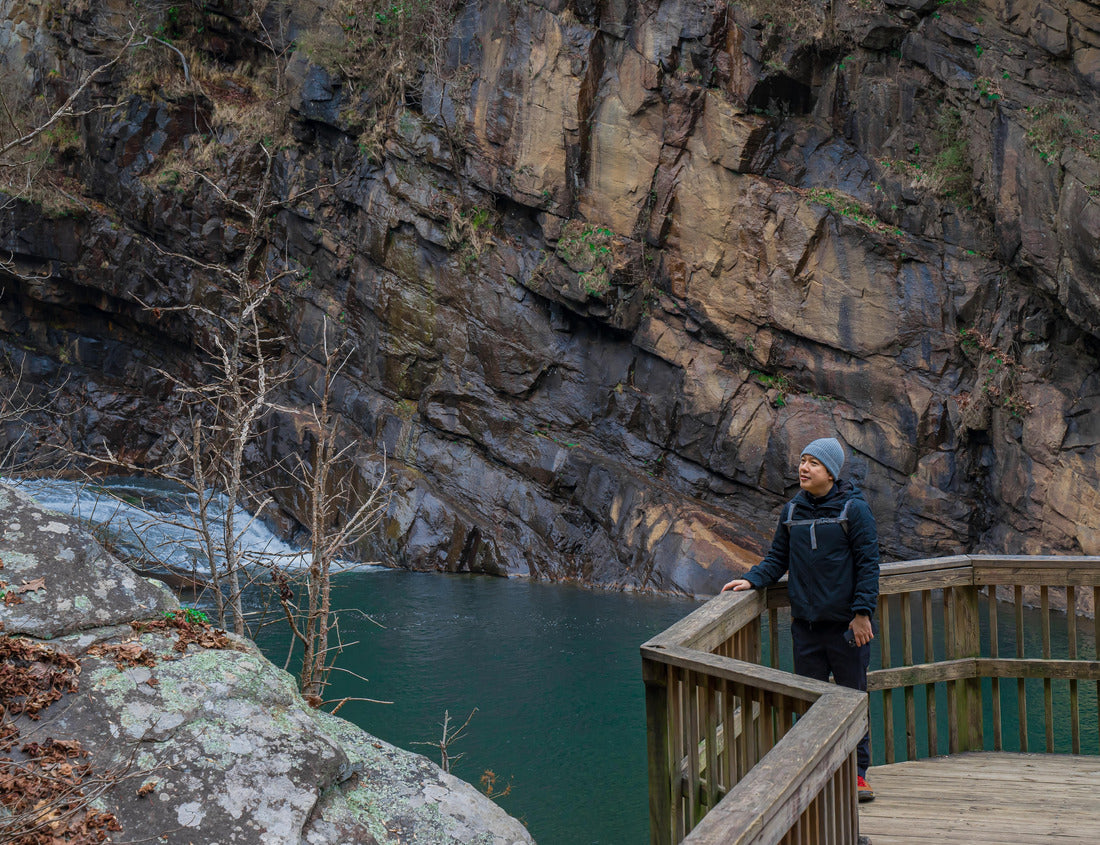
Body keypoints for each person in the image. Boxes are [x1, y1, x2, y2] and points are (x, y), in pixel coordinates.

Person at [722, 437, 880, 802]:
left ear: (830, 472)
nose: (803, 468)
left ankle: (857, 775)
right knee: (808, 704)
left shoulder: (854, 510)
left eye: (813, 463)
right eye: (802, 460)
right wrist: (753, 579)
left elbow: (869, 566)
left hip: (845, 627)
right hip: (805, 628)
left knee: (851, 700)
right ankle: (814, 771)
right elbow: (778, 558)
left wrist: (861, 614)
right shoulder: (792, 511)